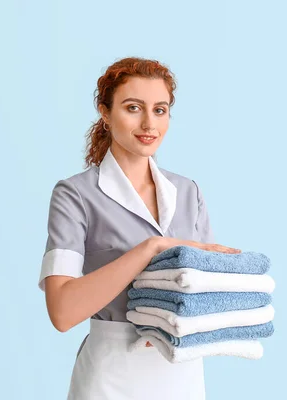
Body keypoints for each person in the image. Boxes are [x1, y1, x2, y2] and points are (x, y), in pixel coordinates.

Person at [38, 56, 241, 399]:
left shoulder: (188, 192)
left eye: (160, 110)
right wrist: (149, 248)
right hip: (112, 375)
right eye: (133, 108)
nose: (149, 123)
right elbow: (62, 312)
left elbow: (204, 296)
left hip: (182, 374)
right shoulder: (76, 194)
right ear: (105, 112)